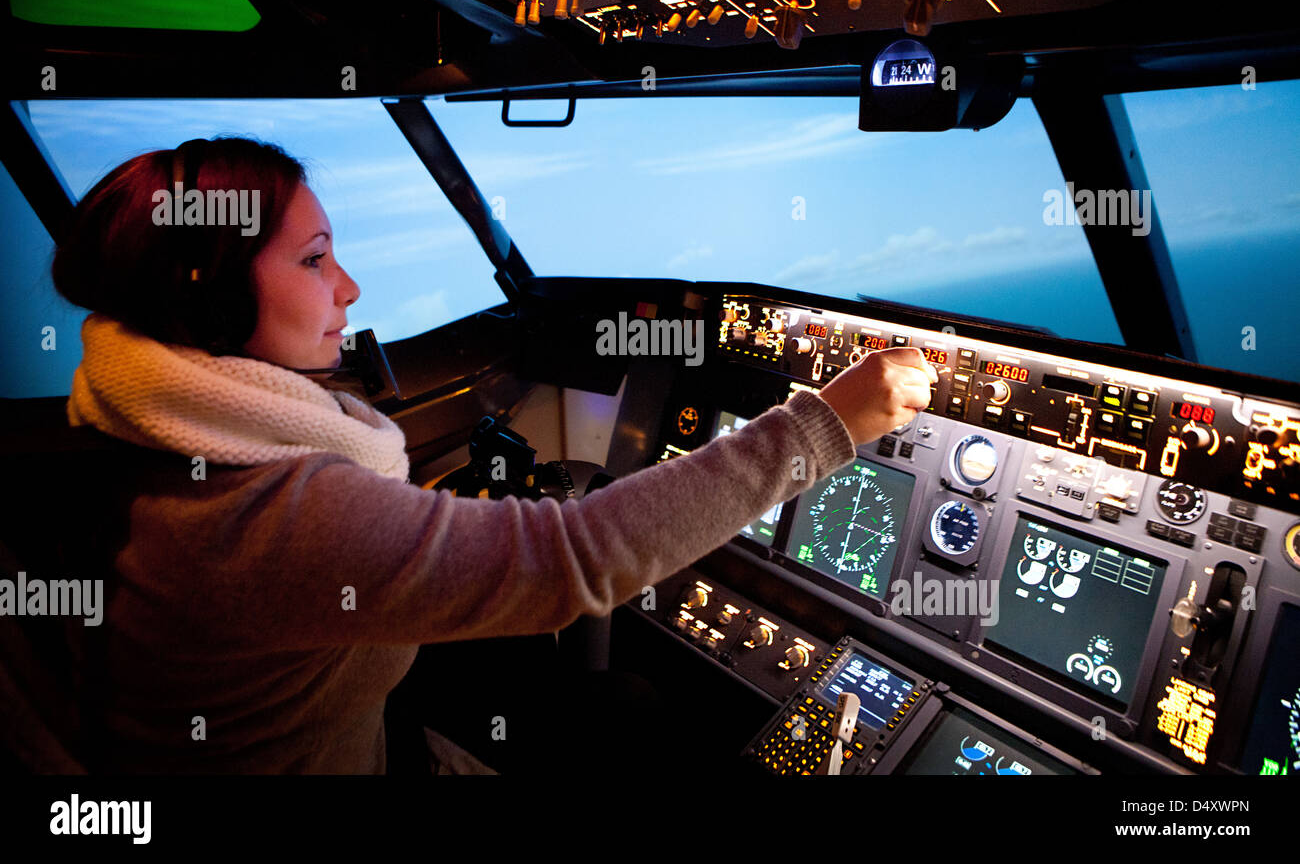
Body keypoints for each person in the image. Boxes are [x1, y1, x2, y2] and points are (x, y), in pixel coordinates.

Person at [47, 136, 938, 773]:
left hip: (369, 742)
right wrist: (827, 423)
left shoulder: (132, 427)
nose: (348, 288)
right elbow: (573, 560)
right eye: (315, 260)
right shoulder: (262, 514)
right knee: (628, 715)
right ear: (208, 307)